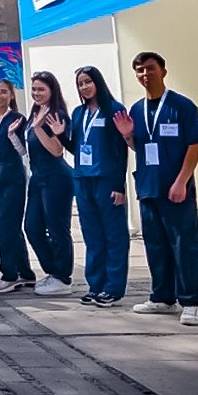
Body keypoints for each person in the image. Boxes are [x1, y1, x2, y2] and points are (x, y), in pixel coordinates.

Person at [114, 51, 198, 327]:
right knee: (155, 245)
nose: (145, 75)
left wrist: (182, 181)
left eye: (150, 69)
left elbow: (194, 145)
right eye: (140, 70)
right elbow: (140, 147)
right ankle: (163, 298)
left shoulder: (182, 106)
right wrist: (127, 135)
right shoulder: (136, 110)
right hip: (148, 188)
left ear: (163, 71)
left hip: (176, 189)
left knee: (185, 245)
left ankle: (192, 301)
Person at [71, 66, 130, 307]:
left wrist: (120, 185)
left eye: (88, 82)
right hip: (83, 180)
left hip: (106, 180)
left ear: (98, 82)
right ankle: (95, 285)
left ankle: (113, 288)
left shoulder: (114, 110)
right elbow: (76, 147)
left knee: (114, 235)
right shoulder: (78, 113)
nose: (84, 87)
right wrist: (59, 135)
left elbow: (121, 150)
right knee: (93, 236)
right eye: (80, 84)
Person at [19, 71, 75, 296]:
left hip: (56, 178)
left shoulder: (56, 115)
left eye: (41, 89)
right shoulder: (35, 113)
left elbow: (56, 150)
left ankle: (63, 277)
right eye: (34, 89)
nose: (36, 93)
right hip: (38, 178)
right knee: (31, 227)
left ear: (52, 90)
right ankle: (53, 271)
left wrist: (39, 128)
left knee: (57, 228)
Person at [0, 79, 36, 293]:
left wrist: (12, 135)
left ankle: (9, 274)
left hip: (12, 177)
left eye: (3, 92)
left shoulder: (17, 118)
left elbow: (23, 151)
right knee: (11, 227)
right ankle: (26, 273)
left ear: (11, 95)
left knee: (5, 225)